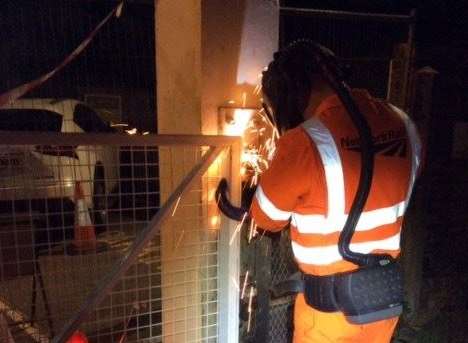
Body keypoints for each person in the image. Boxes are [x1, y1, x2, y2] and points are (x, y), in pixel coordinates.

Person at [250, 40, 422, 342]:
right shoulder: (403, 123)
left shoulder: (304, 142)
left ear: (293, 89)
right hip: (381, 306)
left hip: (328, 318)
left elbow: (265, 219)